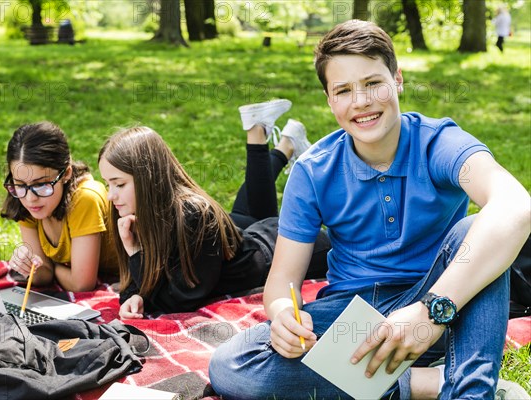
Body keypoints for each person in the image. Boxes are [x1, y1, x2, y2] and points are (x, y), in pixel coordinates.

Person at [209, 20, 531, 400]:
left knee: (481, 230)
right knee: (232, 366)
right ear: (330, 101)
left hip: (441, 309)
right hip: (353, 318)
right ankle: (432, 383)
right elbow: (283, 281)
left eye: (373, 83)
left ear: (398, 79)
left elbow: (516, 205)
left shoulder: (439, 143)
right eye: (343, 90)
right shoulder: (313, 171)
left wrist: (429, 312)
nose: (361, 101)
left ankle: (469, 392)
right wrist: (283, 314)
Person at [98, 102, 330, 318]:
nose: (110, 195)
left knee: (348, 247)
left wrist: (136, 253)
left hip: (291, 251)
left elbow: (181, 299)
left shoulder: (193, 215)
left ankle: (281, 142)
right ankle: (280, 141)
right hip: (254, 233)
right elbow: (146, 282)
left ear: (147, 179)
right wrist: (133, 295)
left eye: (119, 184)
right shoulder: (134, 215)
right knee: (252, 212)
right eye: (108, 183)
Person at [1, 121, 117, 292]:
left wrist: (54, 267)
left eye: (41, 184)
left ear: (66, 174)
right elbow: (43, 275)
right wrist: (29, 267)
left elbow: (82, 284)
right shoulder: (25, 198)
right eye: (20, 184)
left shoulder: (85, 199)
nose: (31, 198)